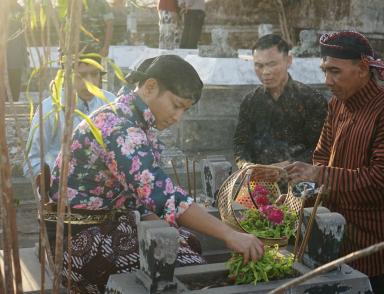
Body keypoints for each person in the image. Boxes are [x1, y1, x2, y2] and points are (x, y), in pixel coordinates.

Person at [48, 55, 264, 293]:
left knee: (187, 243)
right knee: (186, 273)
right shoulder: (119, 127)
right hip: (81, 243)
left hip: (112, 225)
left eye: (184, 110)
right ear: (150, 87)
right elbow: (160, 194)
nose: (177, 117)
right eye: (176, 105)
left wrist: (171, 232)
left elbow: (144, 198)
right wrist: (228, 234)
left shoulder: (133, 120)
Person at [285, 31, 384, 294]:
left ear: (363, 68)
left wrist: (319, 175)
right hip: (348, 230)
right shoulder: (337, 104)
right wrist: (301, 179)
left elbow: (382, 178)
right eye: (324, 71)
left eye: (335, 71)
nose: (327, 80)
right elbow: (321, 155)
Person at [233, 34, 327, 179]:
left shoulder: (312, 100)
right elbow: (241, 144)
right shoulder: (250, 101)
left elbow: (322, 149)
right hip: (259, 183)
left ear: (288, 61)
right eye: (259, 65)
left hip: (299, 184)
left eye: (272, 64)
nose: (265, 72)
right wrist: (247, 166)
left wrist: (289, 165)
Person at [23, 55, 116, 179]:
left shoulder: (111, 103)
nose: (90, 83)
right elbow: (32, 163)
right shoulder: (49, 109)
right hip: (62, 188)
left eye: (94, 74)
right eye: (81, 76)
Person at [7, 0, 27, 102]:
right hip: (9, 56)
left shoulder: (20, 10)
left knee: (14, 84)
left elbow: (24, 35)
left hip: (15, 56)